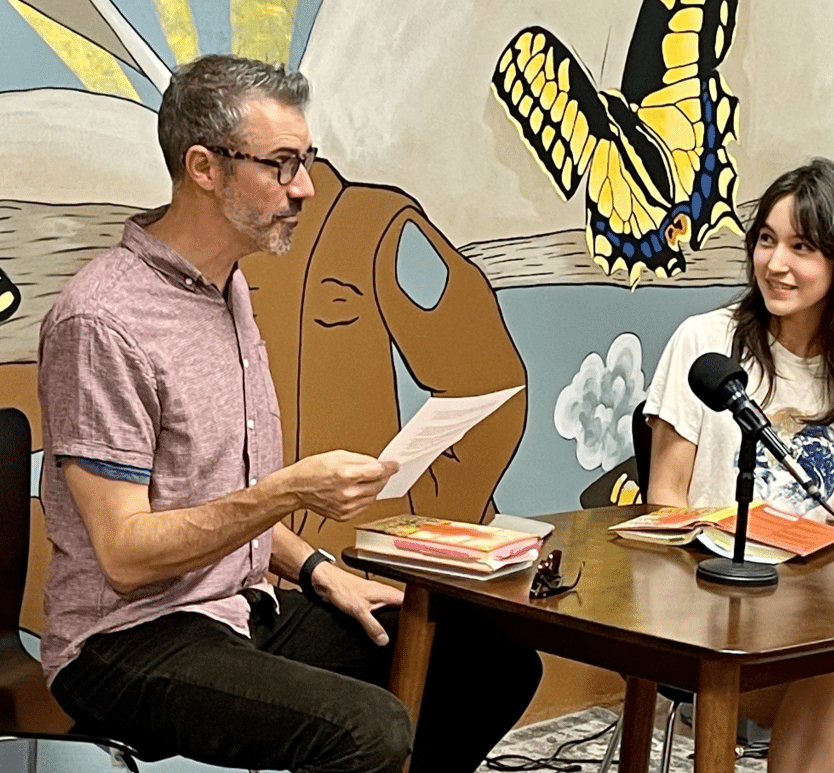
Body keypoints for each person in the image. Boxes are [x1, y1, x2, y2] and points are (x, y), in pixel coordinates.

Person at [37, 54, 540, 773]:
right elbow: (125, 555)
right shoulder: (102, 320)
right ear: (204, 167)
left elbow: (211, 498)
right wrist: (287, 491)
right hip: (125, 638)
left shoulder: (227, 288)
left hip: (239, 604)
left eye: (305, 160)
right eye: (280, 164)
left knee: (490, 662)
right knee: (367, 729)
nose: (303, 186)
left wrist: (317, 570)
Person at [644, 158, 834, 773]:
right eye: (766, 239)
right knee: (831, 667)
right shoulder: (703, 342)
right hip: (705, 592)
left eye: (802, 247)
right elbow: (665, 496)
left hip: (813, 609)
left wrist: (808, 605)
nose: (775, 263)